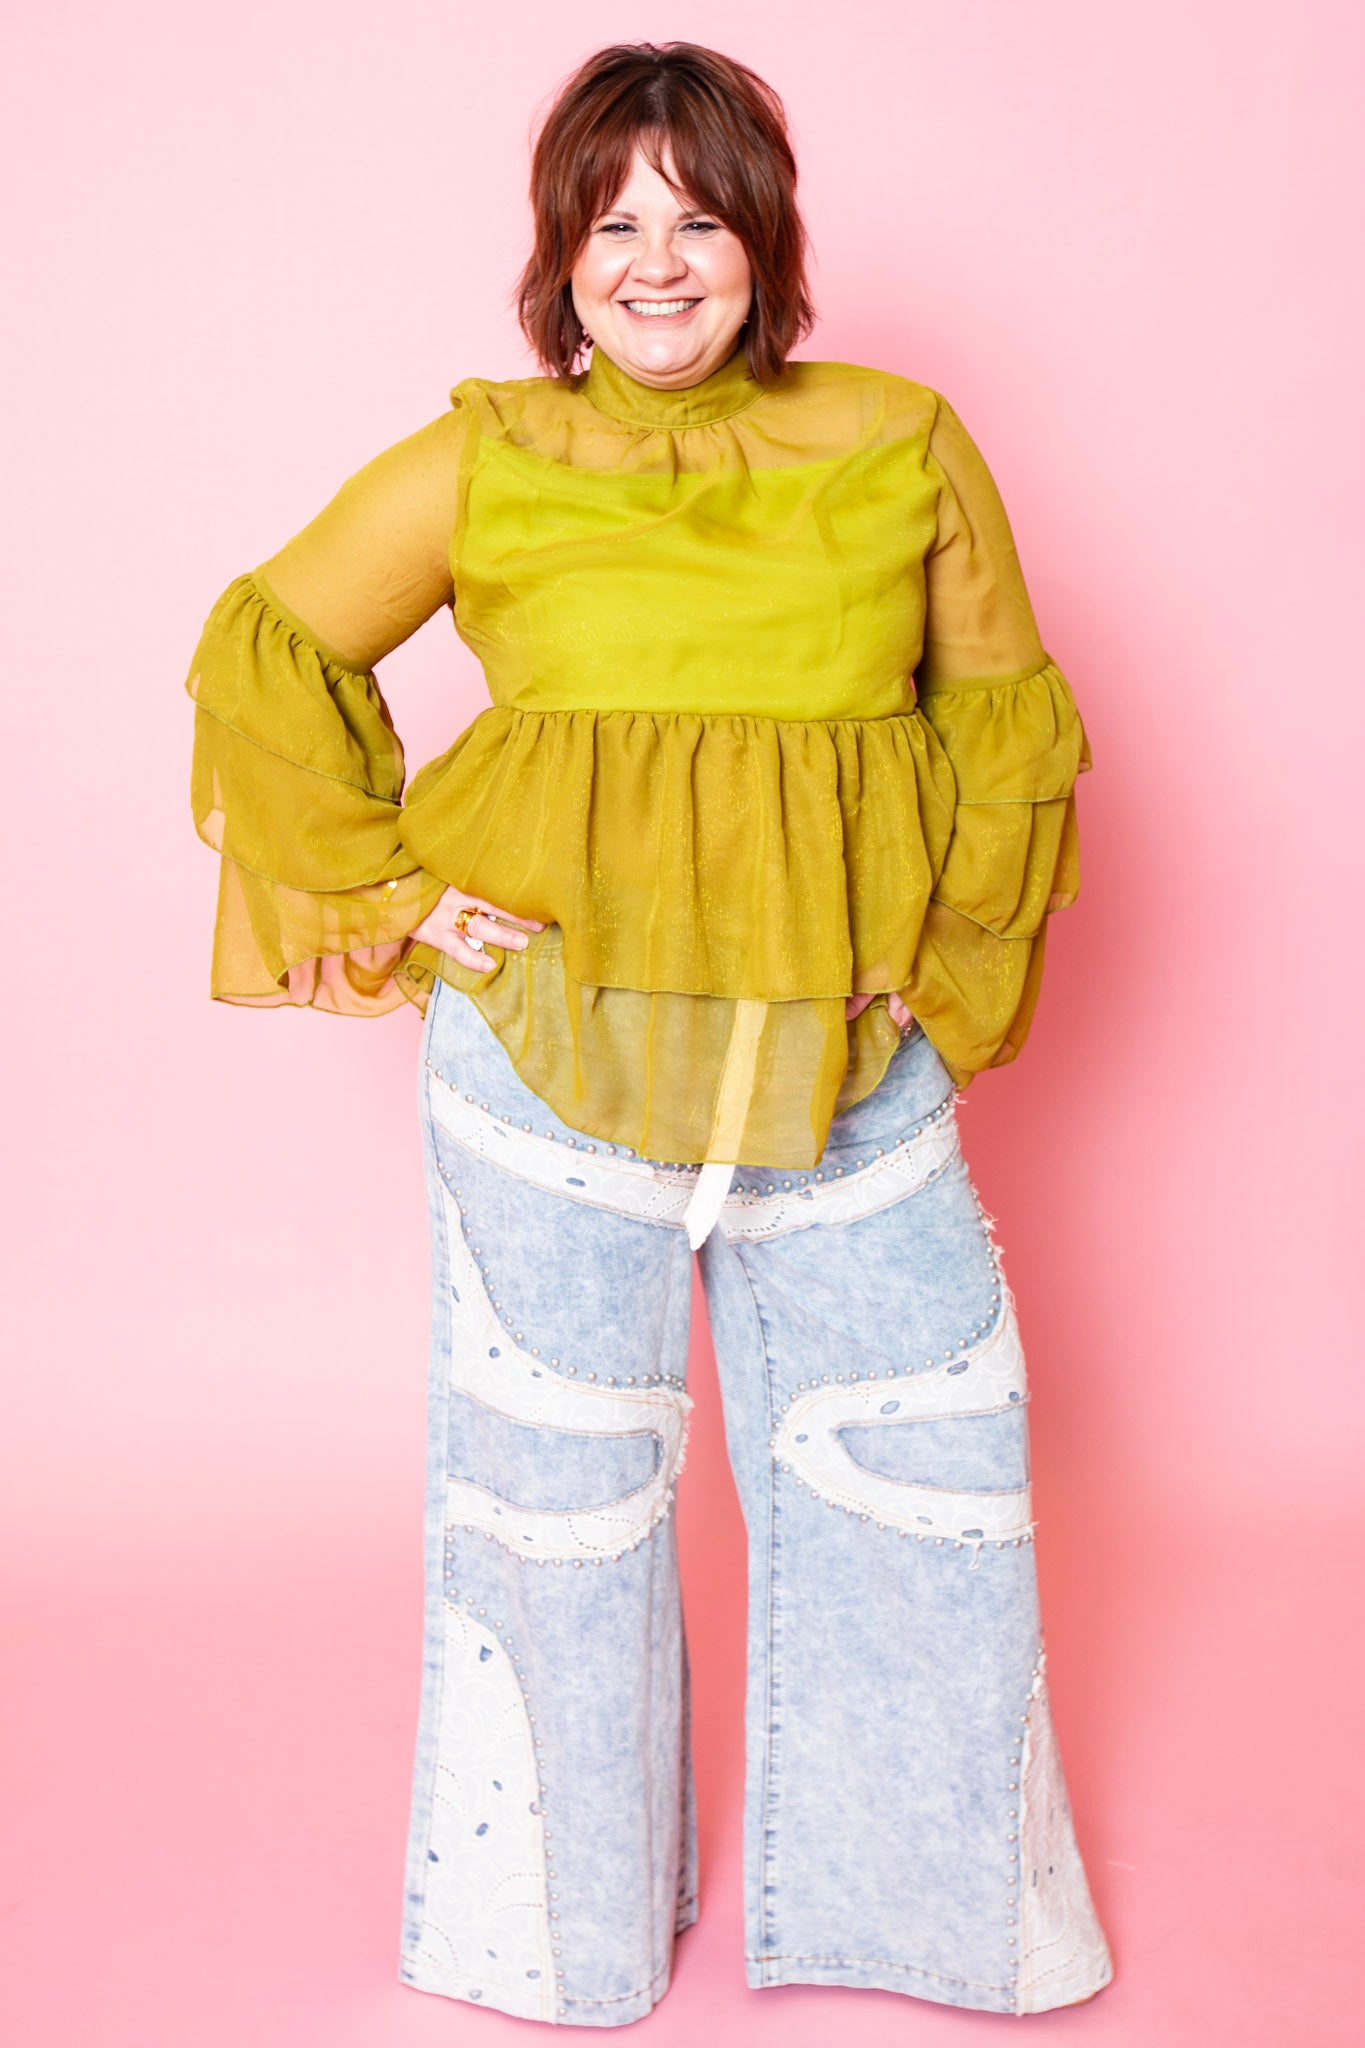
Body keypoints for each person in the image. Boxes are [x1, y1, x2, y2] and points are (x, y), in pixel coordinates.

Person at [186, 39, 1113, 2026]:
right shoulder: (486, 455)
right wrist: (393, 890)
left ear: (763, 241)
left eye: (697, 216)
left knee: (922, 1486)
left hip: (849, 1078)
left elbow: (1001, 726)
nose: (655, 258)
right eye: (612, 223)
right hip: (547, 1066)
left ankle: (922, 1929)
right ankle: (552, 1945)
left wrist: (935, 954)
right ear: (559, 254)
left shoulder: (897, 436)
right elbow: (267, 648)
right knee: (556, 1518)